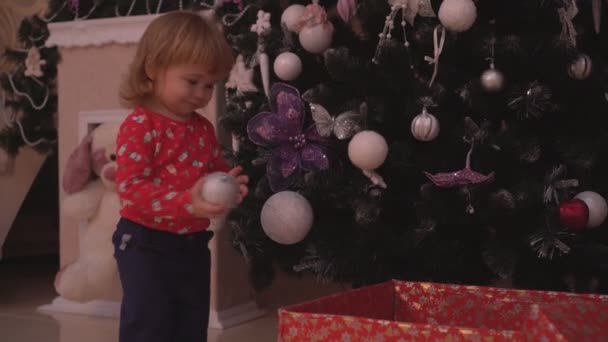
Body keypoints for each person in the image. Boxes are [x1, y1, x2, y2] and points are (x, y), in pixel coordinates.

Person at [112, 11, 247, 342]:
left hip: (192, 246)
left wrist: (228, 184)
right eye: (192, 81)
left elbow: (211, 169)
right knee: (148, 325)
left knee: (190, 324)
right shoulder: (140, 125)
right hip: (145, 245)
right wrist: (188, 202)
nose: (201, 94)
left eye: (209, 85)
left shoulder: (202, 128)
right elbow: (132, 190)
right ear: (153, 69)